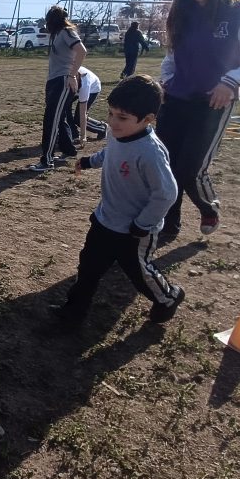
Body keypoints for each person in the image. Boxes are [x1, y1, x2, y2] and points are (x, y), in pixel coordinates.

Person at [156, 0, 240, 242]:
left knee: (190, 167)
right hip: (176, 98)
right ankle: (169, 223)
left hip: (214, 100)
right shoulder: (181, 12)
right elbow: (172, 55)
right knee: (165, 163)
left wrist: (231, 82)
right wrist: (166, 80)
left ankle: (208, 207)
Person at [54, 74, 185, 326]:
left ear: (148, 119)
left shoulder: (150, 152)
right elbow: (109, 153)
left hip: (135, 232)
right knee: (88, 268)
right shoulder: (117, 134)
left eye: (122, 117)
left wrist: (143, 223)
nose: (113, 122)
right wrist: (89, 161)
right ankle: (73, 312)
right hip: (105, 220)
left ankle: (168, 297)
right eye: (111, 113)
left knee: (140, 274)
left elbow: (166, 193)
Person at [29, 5, 85, 171]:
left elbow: (81, 51)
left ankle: (47, 161)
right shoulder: (57, 35)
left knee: (51, 120)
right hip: (54, 81)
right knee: (58, 119)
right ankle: (68, 150)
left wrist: (72, 75)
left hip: (63, 81)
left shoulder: (67, 32)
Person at [66, 65, 107, 145]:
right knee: (64, 108)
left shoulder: (85, 85)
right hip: (78, 87)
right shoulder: (66, 77)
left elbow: (83, 113)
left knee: (78, 119)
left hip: (93, 89)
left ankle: (101, 129)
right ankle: (74, 135)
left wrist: (83, 136)